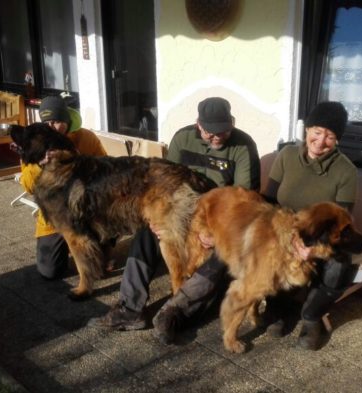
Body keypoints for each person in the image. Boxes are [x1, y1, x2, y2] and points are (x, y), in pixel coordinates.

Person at [88, 97, 261, 344]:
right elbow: (165, 182)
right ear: (198, 125)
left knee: (216, 258)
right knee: (145, 236)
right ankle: (130, 307)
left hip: (217, 216)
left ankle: (176, 312)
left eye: (223, 130)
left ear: (232, 123)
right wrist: (157, 218)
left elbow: (243, 200)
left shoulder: (243, 146)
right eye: (210, 132)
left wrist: (216, 231)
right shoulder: (182, 138)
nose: (217, 137)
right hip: (179, 208)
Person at [261, 101, 358, 350]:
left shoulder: (346, 171)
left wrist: (313, 249)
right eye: (316, 131)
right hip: (284, 228)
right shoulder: (287, 156)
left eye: (330, 135)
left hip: (320, 237)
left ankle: (311, 316)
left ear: (337, 140)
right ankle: (279, 307)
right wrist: (283, 236)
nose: (320, 140)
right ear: (307, 130)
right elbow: (269, 201)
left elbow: (342, 222)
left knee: (340, 266)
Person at [19, 95, 107, 279]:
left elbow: (105, 170)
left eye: (57, 121)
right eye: (47, 122)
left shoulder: (85, 138)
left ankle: (103, 244)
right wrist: (39, 165)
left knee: (100, 268)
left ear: (67, 120)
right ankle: (67, 246)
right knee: (49, 272)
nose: (52, 127)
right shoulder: (34, 143)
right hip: (54, 217)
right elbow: (28, 187)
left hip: (87, 211)